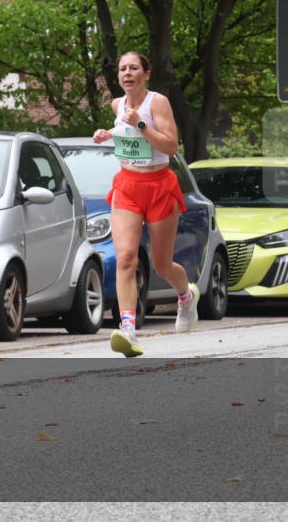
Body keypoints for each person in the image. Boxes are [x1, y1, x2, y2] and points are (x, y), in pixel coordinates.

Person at [92, 51, 199, 357]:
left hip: (159, 185)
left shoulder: (158, 102)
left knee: (162, 263)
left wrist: (141, 123)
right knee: (126, 257)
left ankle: (186, 296)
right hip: (127, 185)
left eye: (133, 68)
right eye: (123, 69)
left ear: (146, 74)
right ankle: (128, 329)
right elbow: (123, 131)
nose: (127, 73)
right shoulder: (117, 104)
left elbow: (170, 145)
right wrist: (106, 134)